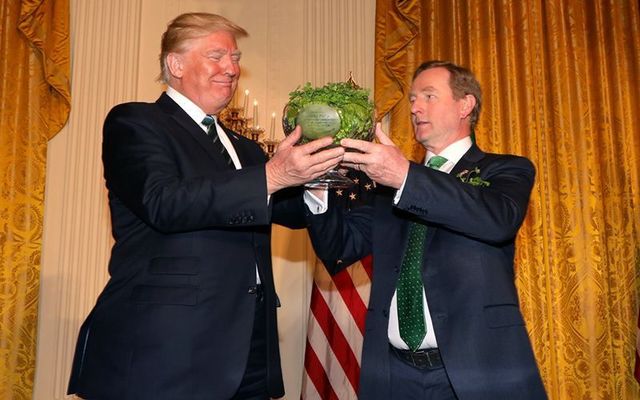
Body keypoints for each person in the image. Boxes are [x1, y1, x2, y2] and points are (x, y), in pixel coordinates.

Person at [67, 12, 344, 400]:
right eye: (217, 56)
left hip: (247, 348)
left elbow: (290, 213)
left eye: (235, 58)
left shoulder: (245, 148)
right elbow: (162, 201)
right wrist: (273, 176)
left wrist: (315, 175)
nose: (231, 69)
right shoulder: (136, 122)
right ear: (175, 64)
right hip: (166, 349)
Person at [305, 60, 547, 399]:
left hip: (475, 369)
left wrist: (405, 175)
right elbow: (338, 248)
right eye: (413, 99)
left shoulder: (505, 169)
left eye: (429, 96)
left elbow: (498, 220)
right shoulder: (389, 186)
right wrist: (317, 180)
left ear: (466, 105)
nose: (415, 107)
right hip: (393, 374)